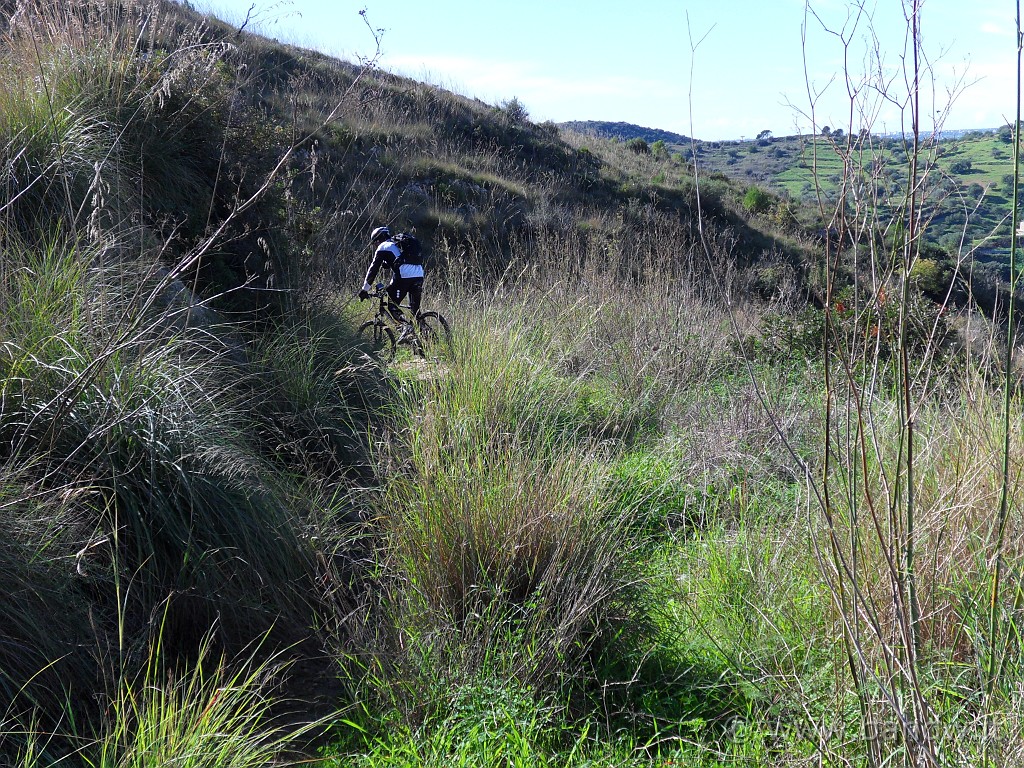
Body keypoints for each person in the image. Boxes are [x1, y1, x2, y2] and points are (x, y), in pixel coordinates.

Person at [358, 226, 424, 324]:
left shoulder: (383, 247)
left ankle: (407, 329)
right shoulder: (396, 244)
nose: (376, 245)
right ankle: (427, 334)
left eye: (375, 243)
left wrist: (365, 289)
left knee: (392, 306)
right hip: (419, 274)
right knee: (415, 311)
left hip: (404, 277)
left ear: (377, 240)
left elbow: (373, 269)